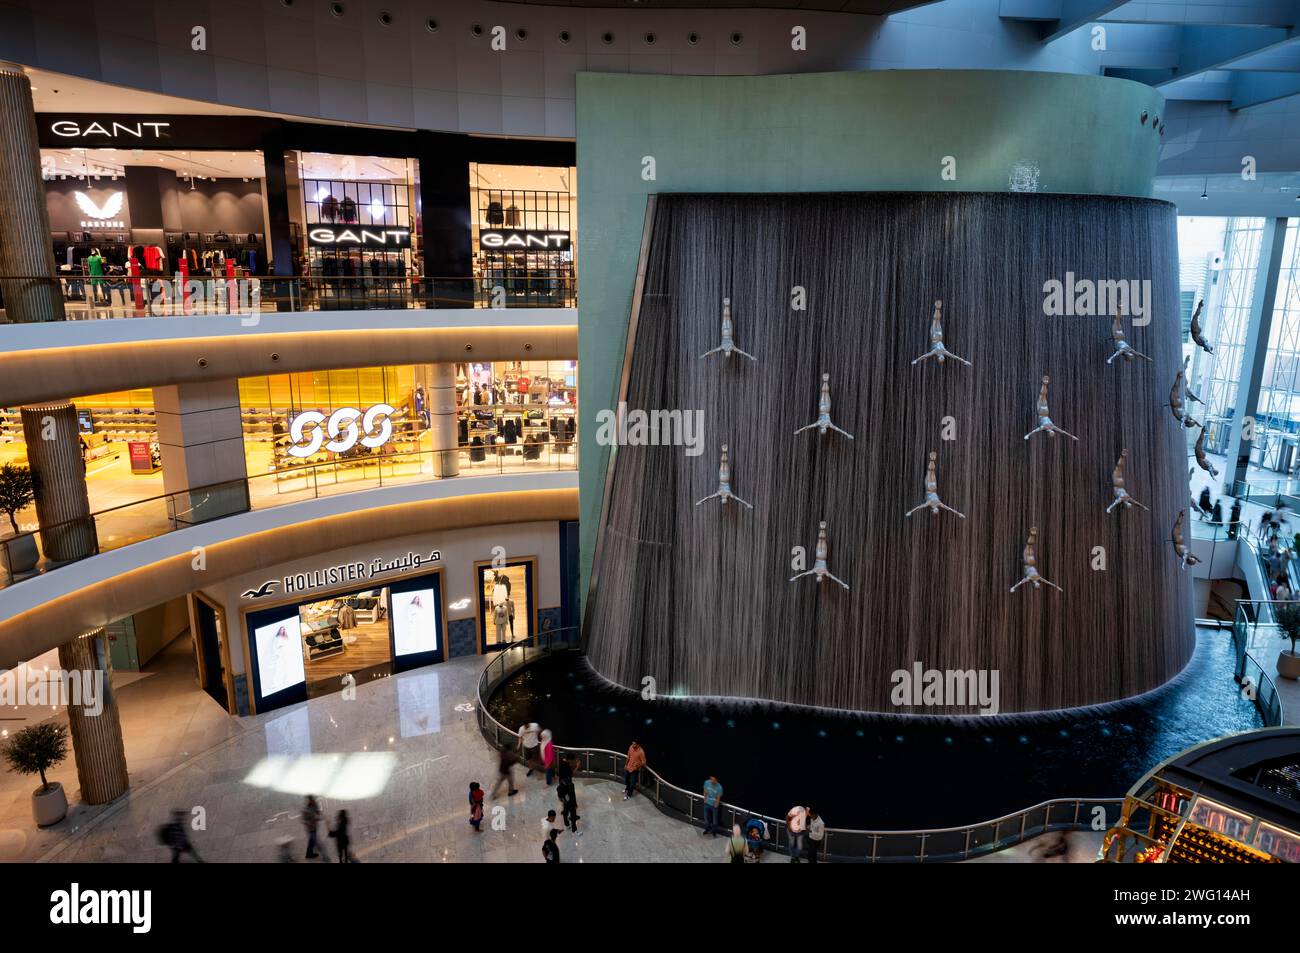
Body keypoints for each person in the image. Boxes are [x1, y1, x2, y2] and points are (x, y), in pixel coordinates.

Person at [302, 795, 328, 861]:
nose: (312, 801)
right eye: (310, 800)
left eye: (312, 800)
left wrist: (318, 817)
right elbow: (303, 820)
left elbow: (319, 814)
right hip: (310, 829)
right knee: (318, 843)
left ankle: (309, 854)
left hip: (314, 827)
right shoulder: (306, 809)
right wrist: (308, 822)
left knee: (312, 841)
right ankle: (325, 857)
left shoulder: (315, 806)